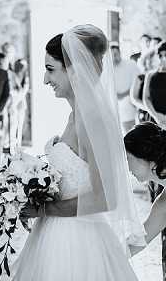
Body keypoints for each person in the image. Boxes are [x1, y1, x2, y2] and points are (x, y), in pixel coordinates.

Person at [13, 25, 145, 281]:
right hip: (52, 234)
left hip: (79, 241)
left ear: (74, 69)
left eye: (50, 69)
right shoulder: (76, 115)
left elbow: (105, 198)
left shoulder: (92, 119)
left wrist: (43, 210)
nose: (44, 79)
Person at [125, 122, 166, 255]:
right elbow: (138, 242)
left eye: (127, 158)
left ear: (144, 155)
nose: (127, 168)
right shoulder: (162, 205)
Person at [111, 44, 140, 133]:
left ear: (120, 53)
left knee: (130, 130)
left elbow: (138, 81)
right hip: (114, 102)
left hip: (130, 100)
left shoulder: (130, 64)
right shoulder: (107, 69)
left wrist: (125, 94)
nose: (114, 57)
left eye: (115, 54)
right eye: (112, 55)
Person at [141, 41, 166, 128]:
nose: (163, 59)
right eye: (160, 56)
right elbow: (146, 98)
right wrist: (156, 116)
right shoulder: (150, 75)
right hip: (154, 119)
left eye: (165, 55)